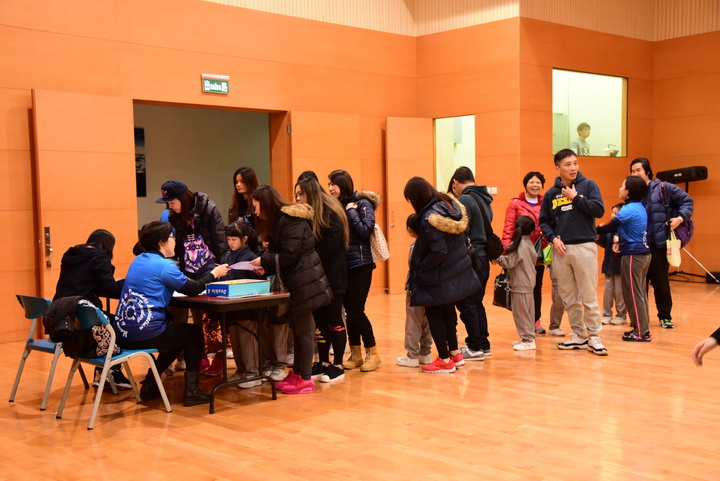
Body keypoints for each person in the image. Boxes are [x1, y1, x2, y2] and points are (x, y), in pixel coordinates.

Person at [113, 221, 229, 406]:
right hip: (147, 333)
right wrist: (214, 274)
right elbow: (193, 288)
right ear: (162, 242)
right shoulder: (163, 266)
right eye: (172, 237)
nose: (175, 241)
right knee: (193, 333)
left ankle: (151, 384)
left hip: (123, 334)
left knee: (177, 335)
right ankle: (192, 392)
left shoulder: (138, 260)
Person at [249, 185, 332, 395]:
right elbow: (284, 256)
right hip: (298, 281)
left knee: (304, 331)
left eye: (256, 207)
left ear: (266, 204)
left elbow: (289, 255)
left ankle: (305, 379)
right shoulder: (281, 221)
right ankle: (298, 373)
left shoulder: (290, 220)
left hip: (305, 281)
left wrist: (264, 260)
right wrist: (266, 265)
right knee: (299, 330)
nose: (255, 212)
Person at [404, 177, 480, 373]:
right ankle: (455, 354)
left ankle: (445, 360)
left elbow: (438, 251)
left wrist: (421, 266)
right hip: (453, 271)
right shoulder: (448, 205)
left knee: (434, 314)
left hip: (438, 274)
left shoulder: (430, 217)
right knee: (447, 312)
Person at [540, 148, 607, 355]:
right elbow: (544, 221)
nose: (573, 168)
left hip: (584, 247)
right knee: (569, 297)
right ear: (557, 168)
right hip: (561, 250)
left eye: (575, 163)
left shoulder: (588, 185)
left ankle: (594, 336)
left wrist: (576, 197)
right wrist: (553, 238)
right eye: (568, 164)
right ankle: (579, 335)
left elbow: (599, 210)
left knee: (588, 295)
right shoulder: (551, 193)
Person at [158, 179, 228, 375]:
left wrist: (222, 268)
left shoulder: (208, 209)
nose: (169, 207)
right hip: (190, 272)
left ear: (182, 198)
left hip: (212, 269)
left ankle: (219, 357)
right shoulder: (175, 217)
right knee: (196, 318)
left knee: (213, 318)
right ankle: (200, 356)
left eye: (172, 202)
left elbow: (220, 240)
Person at [53, 229, 131, 389]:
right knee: (122, 326)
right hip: (85, 323)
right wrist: (130, 281)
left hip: (65, 318)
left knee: (108, 321)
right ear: (108, 246)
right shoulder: (99, 257)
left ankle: (102, 373)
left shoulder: (71, 255)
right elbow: (111, 288)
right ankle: (111, 372)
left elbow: (82, 280)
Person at [295, 176, 350, 383]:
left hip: (333, 275)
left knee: (334, 318)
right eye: (296, 194)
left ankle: (338, 364)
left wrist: (307, 257)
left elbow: (328, 246)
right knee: (319, 321)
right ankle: (323, 361)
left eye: (300, 194)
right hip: (315, 276)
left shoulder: (331, 213)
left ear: (310, 193)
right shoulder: (306, 214)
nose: (297, 199)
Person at [327, 169, 382, 372]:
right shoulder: (336, 205)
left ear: (343, 184)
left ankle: (373, 353)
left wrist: (350, 211)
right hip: (343, 266)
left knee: (356, 311)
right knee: (349, 312)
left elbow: (365, 230)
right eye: (328, 184)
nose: (330, 188)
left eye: (333, 184)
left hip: (361, 264)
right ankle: (355, 352)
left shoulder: (362, 203)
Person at [630, 157, 694, 329]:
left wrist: (680, 218)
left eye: (638, 170)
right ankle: (640, 319)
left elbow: (687, 201)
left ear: (647, 171)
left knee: (661, 284)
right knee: (639, 285)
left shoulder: (664, 188)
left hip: (658, 244)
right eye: (632, 171)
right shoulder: (632, 192)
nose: (635, 174)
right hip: (639, 245)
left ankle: (665, 317)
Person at [597, 177, 651, 341]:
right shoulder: (639, 207)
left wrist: (592, 230)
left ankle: (641, 333)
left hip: (634, 255)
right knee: (639, 294)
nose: (619, 189)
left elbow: (610, 227)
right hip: (643, 254)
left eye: (622, 186)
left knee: (633, 294)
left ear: (628, 191)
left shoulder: (628, 209)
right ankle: (641, 328)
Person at [448, 166, 493, 361]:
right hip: (483, 258)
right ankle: (483, 344)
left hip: (471, 259)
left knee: (467, 303)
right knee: (476, 302)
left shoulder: (466, 199)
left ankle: (474, 347)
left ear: (455, 182)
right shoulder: (484, 199)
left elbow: (461, 229)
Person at [216, 221, 266, 388]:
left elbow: (257, 282)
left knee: (247, 339)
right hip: (230, 305)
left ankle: (253, 373)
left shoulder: (251, 257)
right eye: (228, 239)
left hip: (247, 307)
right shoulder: (227, 256)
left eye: (234, 239)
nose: (230, 243)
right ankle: (241, 369)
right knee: (236, 340)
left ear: (244, 239)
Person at [501, 171, 550, 335]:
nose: (535, 185)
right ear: (525, 185)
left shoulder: (546, 203)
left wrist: (547, 245)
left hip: (539, 251)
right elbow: (508, 228)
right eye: (531, 182)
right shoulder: (515, 204)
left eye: (538, 182)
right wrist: (506, 251)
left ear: (542, 185)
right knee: (522, 287)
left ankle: (535, 320)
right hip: (520, 251)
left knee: (537, 286)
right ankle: (525, 322)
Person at [395, 214, 433, 367]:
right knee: (427, 322)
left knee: (413, 323)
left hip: (416, 290)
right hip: (430, 290)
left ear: (410, 230)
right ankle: (426, 353)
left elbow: (413, 269)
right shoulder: (431, 244)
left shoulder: (415, 247)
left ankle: (412, 355)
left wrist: (409, 283)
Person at [497, 216, 538, 351]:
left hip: (521, 284)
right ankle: (528, 337)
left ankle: (528, 340)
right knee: (528, 313)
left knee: (521, 313)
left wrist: (497, 258)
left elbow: (509, 262)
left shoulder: (518, 245)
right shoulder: (529, 243)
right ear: (532, 231)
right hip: (529, 282)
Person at [596, 203, 627, 325]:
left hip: (620, 264)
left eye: (616, 213)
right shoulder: (609, 228)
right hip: (609, 264)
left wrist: (621, 240)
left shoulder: (627, 228)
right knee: (608, 291)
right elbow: (605, 244)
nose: (613, 215)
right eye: (612, 213)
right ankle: (606, 314)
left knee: (620, 291)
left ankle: (621, 315)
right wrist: (599, 236)